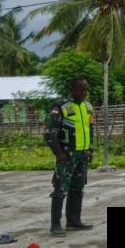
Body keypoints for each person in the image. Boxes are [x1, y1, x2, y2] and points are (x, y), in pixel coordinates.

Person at [44, 77, 94, 236]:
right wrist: (58, 153)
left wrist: (90, 149)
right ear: (72, 90)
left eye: (86, 89)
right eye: (81, 89)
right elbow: (49, 133)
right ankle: (55, 225)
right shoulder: (60, 108)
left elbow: (90, 130)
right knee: (60, 189)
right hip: (67, 155)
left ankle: (74, 221)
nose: (84, 92)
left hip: (82, 155)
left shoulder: (88, 107)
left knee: (77, 188)